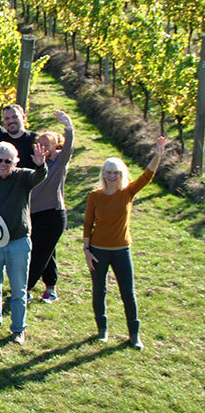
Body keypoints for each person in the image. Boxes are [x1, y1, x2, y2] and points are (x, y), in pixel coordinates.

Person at [83, 137, 165, 349]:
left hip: (122, 250)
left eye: (116, 173)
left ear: (121, 175)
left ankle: (134, 334)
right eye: (108, 172)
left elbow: (147, 176)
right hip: (98, 251)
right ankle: (102, 330)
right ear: (103, 174)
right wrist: (86, 250)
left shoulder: (128, 193)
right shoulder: (95, 196)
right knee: (99, 290)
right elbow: (88, 224)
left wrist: (157, 155)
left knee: (128, 292)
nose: (112, 176)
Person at [0, 141, 47, 344]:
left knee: (19, 289)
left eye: (8, 161)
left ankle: (18, 329)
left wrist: (40, 165)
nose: (3, 164)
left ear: (16, 161)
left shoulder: (24, 177)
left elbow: (40, 177)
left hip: (18, 242)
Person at [27, 111, 75, 303]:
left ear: (56, 146)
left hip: (52, 214)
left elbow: (69, 149)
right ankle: (51, 288)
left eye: (48, 145)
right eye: (41, 144)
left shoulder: (59, 163)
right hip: (35, 214)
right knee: (48, 251)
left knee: (39, 253)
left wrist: (68, 127)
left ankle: (24, 289)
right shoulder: (38, 163)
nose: (44, 147)